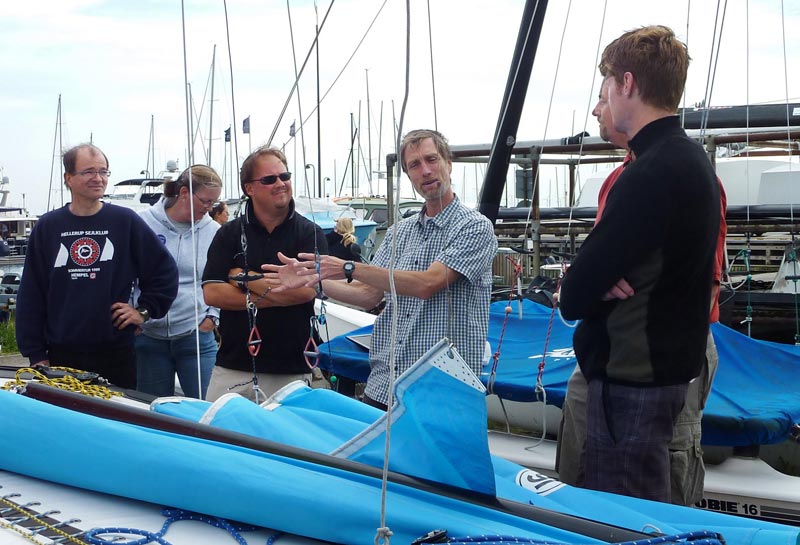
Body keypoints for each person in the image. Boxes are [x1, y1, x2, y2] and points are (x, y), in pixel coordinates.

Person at [558, 26, 720, 502]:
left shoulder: (651, 172)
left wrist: (584, 280)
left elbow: (574, 296)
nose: (601, 98)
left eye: (606, 83)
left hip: (632, 387)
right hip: (657, 378)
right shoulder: (690, 160)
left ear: (626, 84)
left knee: (623, 521)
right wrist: (597, 277)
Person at [265, 129, 497, 411]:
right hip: (385, 382)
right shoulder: (401, 231)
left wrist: (349, 267)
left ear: (449, 164)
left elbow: (427, 284)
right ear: (409, 176)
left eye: (431, 160)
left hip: (441, 387)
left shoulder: (474, 227)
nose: (425, 171)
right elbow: (368, 296)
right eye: (414, 165)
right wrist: (314, 283)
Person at [16, 143, 178, 389]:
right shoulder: (48, 226)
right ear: (68, 178)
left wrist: (144, 311)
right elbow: (31, 293)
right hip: (60, 354)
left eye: (103, 172)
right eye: (89, 171)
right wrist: (35, 353)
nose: (98, 178)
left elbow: (163, 271)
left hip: (116, 353)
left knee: (115, 421)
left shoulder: (125, 222)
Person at [201, 146, 327, 402]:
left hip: (291, 369)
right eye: (270, 179)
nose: (281, 184)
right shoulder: (228, 233)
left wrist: (243, 278)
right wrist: (278, 289)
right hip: (231, 366)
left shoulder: (309, 233)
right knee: (216, 437)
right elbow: (212, 293)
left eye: (285, 176)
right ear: (249, 188)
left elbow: (304, 292)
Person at [136, 165, 223, 399]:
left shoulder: (214, 231)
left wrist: (212, 317)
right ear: (184, 193)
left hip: (196, 334)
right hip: (148, 335)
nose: (208, 208)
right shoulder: (142, 223)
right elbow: (127, 274)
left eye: (213, 203)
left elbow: (221, 278)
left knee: (208, 407)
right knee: (153, 411)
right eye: (205, 201)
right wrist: (133, 316)